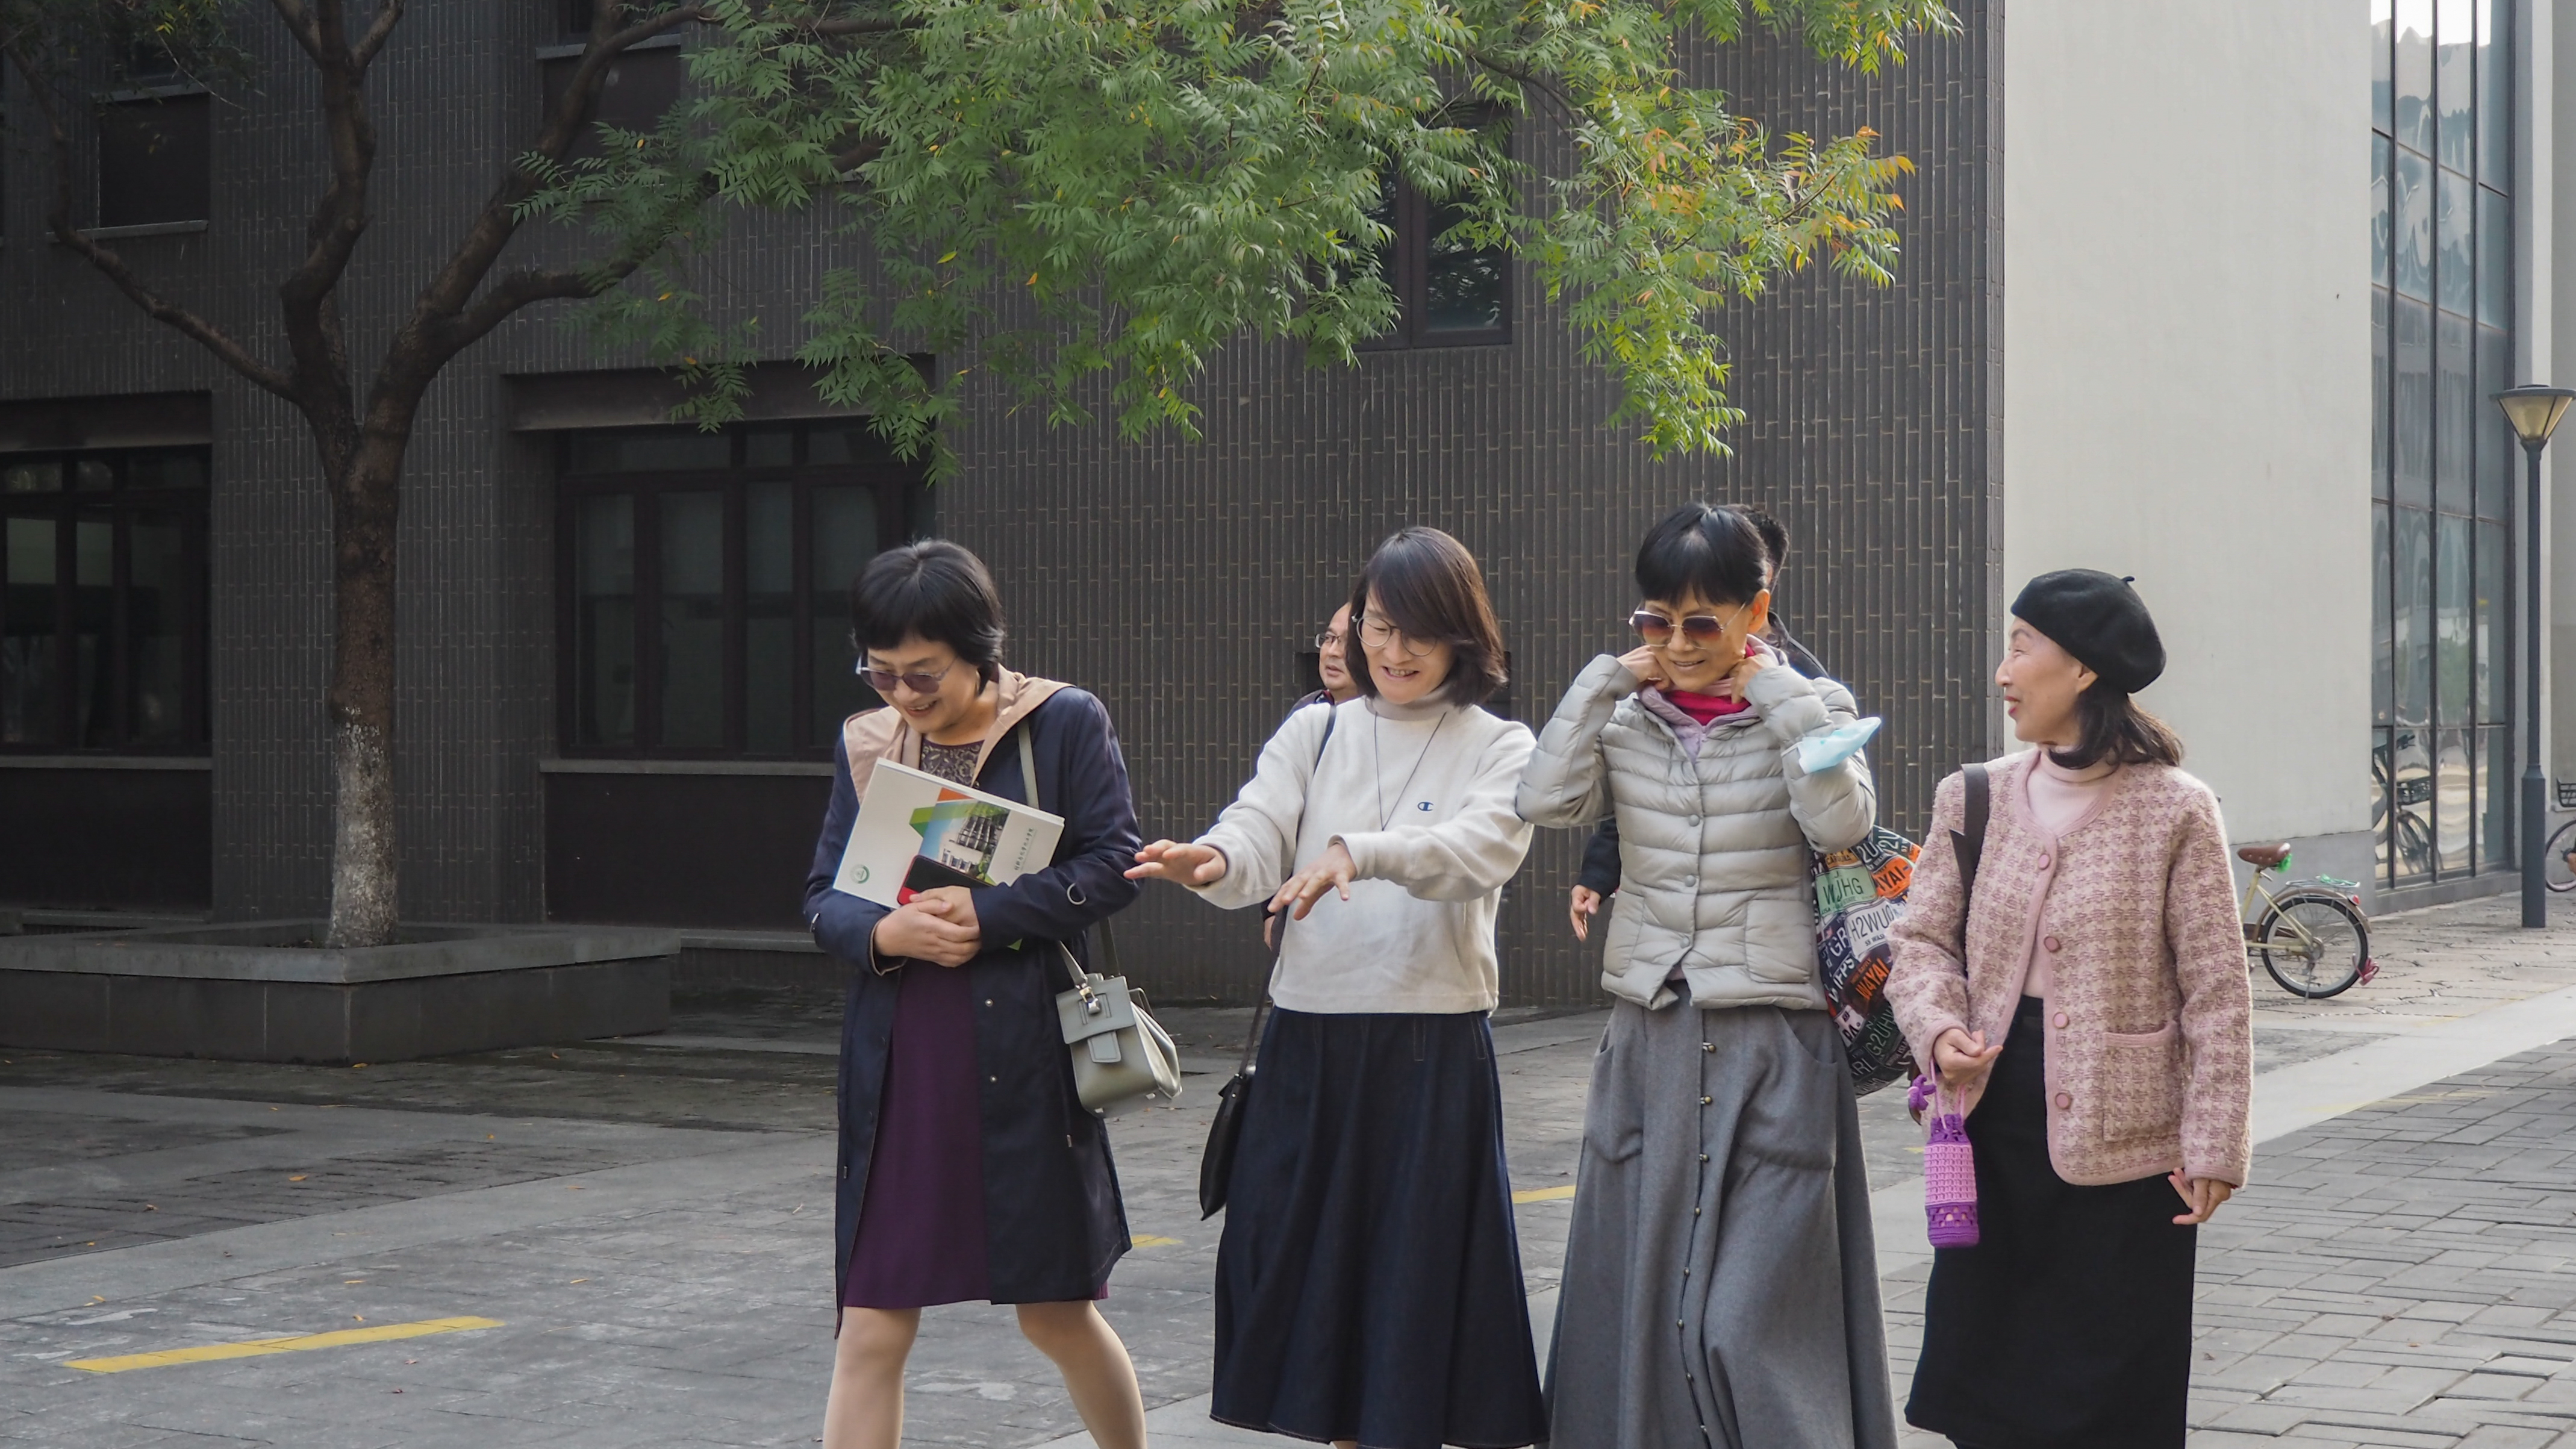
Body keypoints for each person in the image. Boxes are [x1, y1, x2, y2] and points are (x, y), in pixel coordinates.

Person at [1127, 526, 1547, 1449]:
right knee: (1314, 1290)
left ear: (1463, 635)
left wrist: (1360, 850)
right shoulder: (1315, 730)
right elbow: (1255, 831)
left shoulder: (1502, 744)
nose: (1393, 651)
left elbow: (1478, 852)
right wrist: (1209, 862)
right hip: (1308, 1044)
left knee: (1410, 1287)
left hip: (1430, 1049)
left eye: (1418, 632)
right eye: (1378, 626)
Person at [1516, 502, 1894, 1449]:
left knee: (1745, 1320)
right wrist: (1607, 678)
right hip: (1651, 1030)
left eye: (1700, 622)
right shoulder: (1626, 716)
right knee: (1639, 1295)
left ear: (1753, 612)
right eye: (1656, 620)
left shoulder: (1815, 706)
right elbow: (1544, 799)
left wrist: (1779, 695)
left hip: (1775, 1040)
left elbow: (1841, 821)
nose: (1677, 645)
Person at [1884, 569, 2253, 1449]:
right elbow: (1920, 941)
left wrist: (2215, 1143)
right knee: (1990, 1387)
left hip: (2127, 1146)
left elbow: (2216, 991)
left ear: (2082, 668)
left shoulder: (2176, 809)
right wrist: (1939, 1030)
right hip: (1992, 1122)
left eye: (2021, 647)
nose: (2003, 672)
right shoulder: (1971, 795)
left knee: (2110, 1397)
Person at [802, 540, 1150, 1449]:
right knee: (870, 1324)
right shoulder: (870, 742)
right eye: (880, 673)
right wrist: (884, 935)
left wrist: (989, 914)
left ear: (980, 649)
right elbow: (825, 897)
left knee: (1056, 1313)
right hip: (902, 1064)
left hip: (1021, 1054)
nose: (903, 695)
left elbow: (1114, 863)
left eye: (923, 674)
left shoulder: (1060, 722)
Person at [1567, 507, 1823, 941]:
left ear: (1762, 588)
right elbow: (1642, 791)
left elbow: (1831, 809)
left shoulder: (1800, 678)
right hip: (1662, 942)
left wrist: (1782, 699)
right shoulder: (1653, 685)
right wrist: (1600, 870)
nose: (1681, 644)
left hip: (1765, 932)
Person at [1288, 602, 1360, 714]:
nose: (1332, 651)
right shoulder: (1306, 708)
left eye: (1349, 643)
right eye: (1329, 638)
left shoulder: (1385, 716)